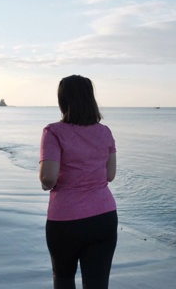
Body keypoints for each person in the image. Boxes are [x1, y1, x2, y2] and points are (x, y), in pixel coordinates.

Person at [39, 75, 118, 289]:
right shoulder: (105, 132)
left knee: (64, 278)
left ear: (63, 100)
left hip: (66, 219)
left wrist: (46, 184)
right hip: (104, 217)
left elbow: (48, 177)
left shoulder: (53, 131)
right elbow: (110, 175)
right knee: (97, 283)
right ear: (90, 98)